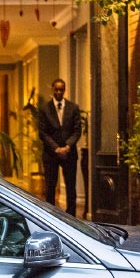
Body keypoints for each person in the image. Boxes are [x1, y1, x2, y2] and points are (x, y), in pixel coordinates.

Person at [38, 78, 82, 217]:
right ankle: (50, 217)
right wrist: (56, 148)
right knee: (50, 187)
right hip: (51, 154)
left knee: (71, 187)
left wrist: (67, 146)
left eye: (61, 89)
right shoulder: (45, 109)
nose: (58, 92)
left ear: (64, 90)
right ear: (52, 89)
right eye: (56, 89)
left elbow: (77, 130)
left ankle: (72, 217)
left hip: (69, 154)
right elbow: (42, 132)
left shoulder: (73, 108)